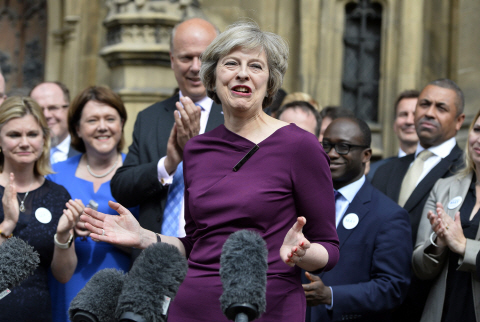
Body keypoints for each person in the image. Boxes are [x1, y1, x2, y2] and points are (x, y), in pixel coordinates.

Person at [82, 21, 339, 322]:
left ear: (269, 82)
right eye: (231, 63)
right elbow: (195, 244)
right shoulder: (196, 149)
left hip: (268, 308)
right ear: (213, 76)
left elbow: (329, 249)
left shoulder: (300, 146)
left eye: (256, 66)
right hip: (192, 306)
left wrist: (303, 254)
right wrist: (144, 237)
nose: (242, 73)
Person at [110, 18, 224, 257]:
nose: (195, 67)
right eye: (186, 58)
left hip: (213, 260)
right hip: (153, 262)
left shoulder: (238, 116)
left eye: (203, 57)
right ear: (172, 61)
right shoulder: (149, 118)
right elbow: (122, 187)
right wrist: (168, 164)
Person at [371, 78, 466, 322]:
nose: (429, 113)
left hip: (432, 304)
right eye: (424, 104)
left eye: (441, 108)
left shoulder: (465, 172)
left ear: (459, 121)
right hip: (377, 302)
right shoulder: (386, 170)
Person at [303, 117, 412, 322]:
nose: (332, 154)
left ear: (366, 155)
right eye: (326, 145)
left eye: (344, 147)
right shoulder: (304, 202)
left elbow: (392, 287)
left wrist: (331, 296)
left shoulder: (389, 216)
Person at [46, 86, 139, 322]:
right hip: (68, 289)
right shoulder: (54, 176)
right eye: (92, 120)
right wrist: (66, 233)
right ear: (77, 128)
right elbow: (41, 241)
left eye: (110, 118)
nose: (102, 126)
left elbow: (154, 243)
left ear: (121, 123)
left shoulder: (138, 174)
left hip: (123, 293)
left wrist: (112, 234)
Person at [0, 97, 83, 321]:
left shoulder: (58, 195)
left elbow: (63, 275)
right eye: (14, 135)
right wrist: (6, 225)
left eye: (33, 134)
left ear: (44, 138)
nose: (25, 142)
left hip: (37, 313)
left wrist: (63, 236)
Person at [412, 108, 480, 322]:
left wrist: (463, 246)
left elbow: (461, 244)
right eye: (477, 129)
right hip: (443, 312)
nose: (479, 139)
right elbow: (420, 267)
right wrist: (438, 243)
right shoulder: (443, 187)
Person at [367, 90, 419, 181]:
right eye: (403, 114)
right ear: (394, 125)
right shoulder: (373, 172)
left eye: (415, 115)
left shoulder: (444, 169)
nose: (409, 121)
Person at [30, 81, 80, 164]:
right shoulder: (21, 154)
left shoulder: (87, 151)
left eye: (53, 108)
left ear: (69, 110)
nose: (46, 115)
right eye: (39, 110)